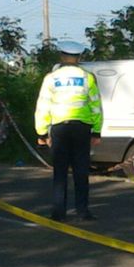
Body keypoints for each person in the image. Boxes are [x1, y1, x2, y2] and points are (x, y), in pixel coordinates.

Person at [35, 41, 103, 222]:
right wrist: (96, 132)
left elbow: (43, 106)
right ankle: (83, 211)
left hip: (60, 128)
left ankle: (58, 212)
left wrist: (41, 133)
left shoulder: (51, 78)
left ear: (62, 57)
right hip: (82, 128)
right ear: (79, 58)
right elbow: (96, 105)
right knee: (81, 170)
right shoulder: (87, 77)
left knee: (60, 171)